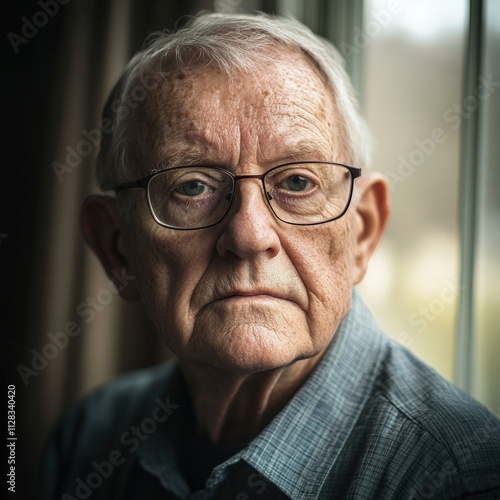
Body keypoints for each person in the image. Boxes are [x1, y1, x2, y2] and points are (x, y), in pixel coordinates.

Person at [38, 12, 500, 500]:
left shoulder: (462, 479)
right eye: (192, 186)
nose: (250, 235)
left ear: (362, 234)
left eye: (298, 182)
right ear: (117, 248)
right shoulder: (87, 439)